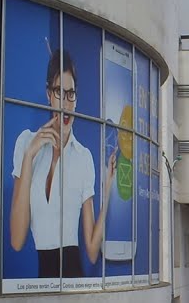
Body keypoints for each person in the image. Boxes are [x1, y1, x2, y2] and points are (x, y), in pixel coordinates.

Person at [9, 49, 116, 277]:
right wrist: (29, 157)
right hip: (42, 281)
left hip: (74, 278)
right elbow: (17, 241)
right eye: (59, 92)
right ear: (49, 94)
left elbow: (92, 252)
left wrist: (106, 192)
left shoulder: (83, 157)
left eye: (71, 94)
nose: (66, 103)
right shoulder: (26, 143)